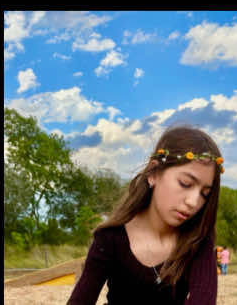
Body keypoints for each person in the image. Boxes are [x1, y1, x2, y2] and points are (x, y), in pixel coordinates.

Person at [68, 126, 221, 304]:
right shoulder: (110, 239)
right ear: (153, 173)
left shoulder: (198, 243)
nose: (194, 202)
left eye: (205, 194)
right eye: (185, 183)